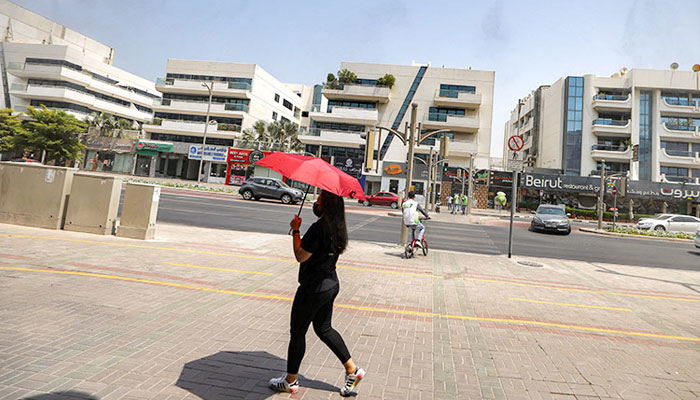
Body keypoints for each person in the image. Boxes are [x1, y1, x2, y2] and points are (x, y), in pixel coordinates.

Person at [270, 190, 365, 396]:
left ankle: (290, 381)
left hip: (313, 288)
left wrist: (295, 231)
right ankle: (352, 370)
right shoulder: (339, 227)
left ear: (326, 205)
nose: (316, 202)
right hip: (330, 284)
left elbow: (300, 256)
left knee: (297, 332)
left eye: (319, 199)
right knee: (324, 328)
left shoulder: (318, 228)